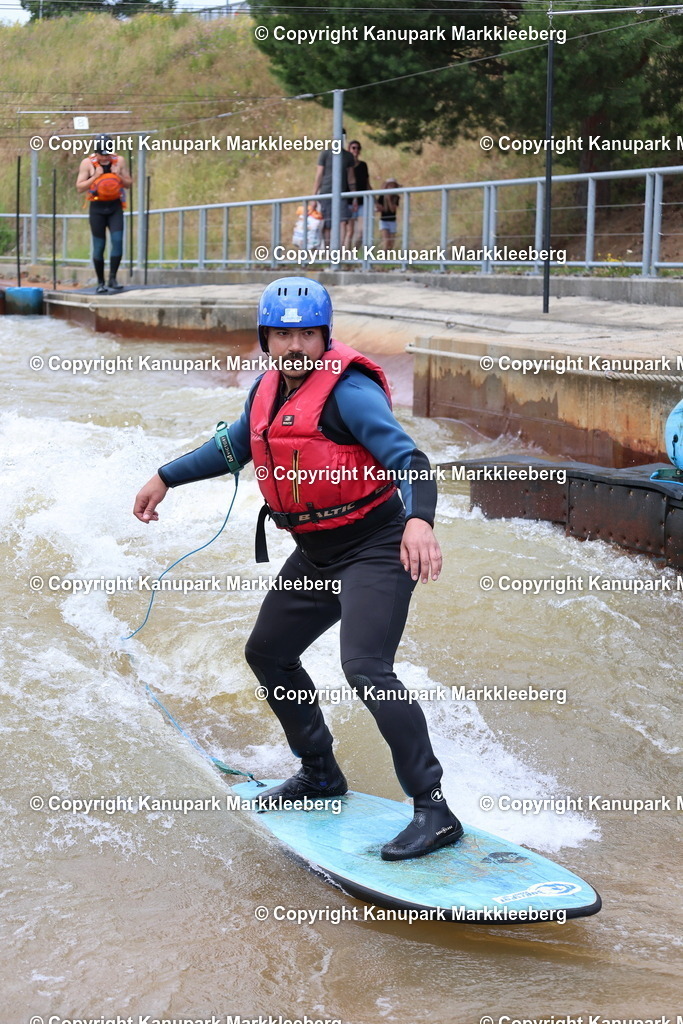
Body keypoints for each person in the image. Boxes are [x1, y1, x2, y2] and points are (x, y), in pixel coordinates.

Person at [133, 277, 463, 861]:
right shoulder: (267, 390)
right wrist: (165, 476)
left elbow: (409, 458)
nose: (295, 346)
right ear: (266, 337)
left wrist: (421, 522)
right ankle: (320, 773)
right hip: (316, 553)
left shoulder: (350, 392)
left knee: (365, 667)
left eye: (306, 333)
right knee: (267, 653)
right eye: (282, 334)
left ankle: (434, 810)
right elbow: (232, 447)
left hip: (376, 545)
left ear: (323, 336)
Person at [76, 134, 132, 294]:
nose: (105, 158)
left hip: (115, 208)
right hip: (97, 209)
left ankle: (112, 278)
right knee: (99, 246)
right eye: (102, 155)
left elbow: (128, 184)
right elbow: (79, 187)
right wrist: (95, 176)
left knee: (117, 241)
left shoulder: (118, 161)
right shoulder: (87, 163)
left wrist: (118, 174)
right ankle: (100, 282)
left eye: (108, 154)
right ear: (96, 153)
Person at [313, 133, 356, 247]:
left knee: (342, 221)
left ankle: (339, 251)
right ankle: (328, 251)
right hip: (326, 192)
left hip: (341, 194)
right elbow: (319, 175)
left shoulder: (348, 156)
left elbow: (351, 177)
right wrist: (314, 196)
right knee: (327, 224)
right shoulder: (326, 154)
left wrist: (354, 197)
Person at [348, 140, 372, 247]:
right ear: (349, 149)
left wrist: (374, 200)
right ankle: (346, 257)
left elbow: (367, 184)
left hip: (362, 201)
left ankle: (354, 254)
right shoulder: (346, 166)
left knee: (362, 231)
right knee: (350, 231)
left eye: (358, 148)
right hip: (349, 201)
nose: (356, 150)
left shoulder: (363, 165)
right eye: (353, 148)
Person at [376, 179, 400, 251]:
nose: (391, 187)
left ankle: (387, 257)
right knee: (386, 240)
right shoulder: (382, 197)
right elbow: (379, 208)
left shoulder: (396, 197)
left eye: (393, 186)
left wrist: (389, 199)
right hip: (384, 221)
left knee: (391, 243)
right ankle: (383, 257)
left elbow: (393, 209)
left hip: (392, 221)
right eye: (389, 185)